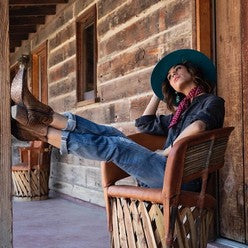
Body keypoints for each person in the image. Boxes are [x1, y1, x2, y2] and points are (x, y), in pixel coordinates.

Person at [11, 49, 225, 191]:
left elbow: (198, 126)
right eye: (169, 76)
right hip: (163, 168)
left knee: (115, 145)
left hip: (181, 175)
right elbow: (145, 123)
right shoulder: (181, 112)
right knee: (113, 134)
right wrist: (159, 91)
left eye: (177, 69)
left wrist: (167, 151)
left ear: (193, 72)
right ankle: (45, 118)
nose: (172, 75)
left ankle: (44, 130)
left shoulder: (211, 102)